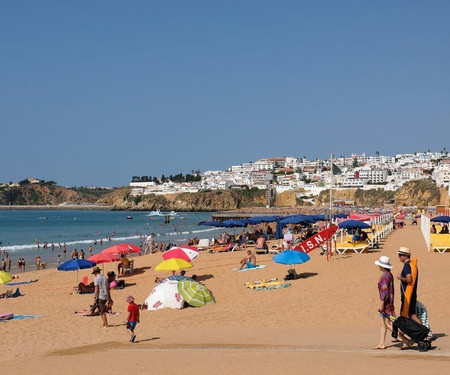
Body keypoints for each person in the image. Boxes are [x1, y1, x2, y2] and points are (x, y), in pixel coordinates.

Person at [374, 256, 396, 350]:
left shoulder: (385, 276)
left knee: (387, 323)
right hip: (389, 302)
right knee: (383, 323)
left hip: (386, 303)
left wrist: (381, 305)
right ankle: (382, 343)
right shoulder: (389, 274)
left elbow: (384, 291)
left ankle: (402, 338)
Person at [397, 247, 421, 324]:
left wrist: (400, 277)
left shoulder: (407, 266)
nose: (399, 257)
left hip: (408, 295)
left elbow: (409, 279)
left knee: (408, 315)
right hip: (411, 294)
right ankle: (424, 332)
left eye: (400, 255)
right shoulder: (411, 265)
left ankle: (425, 332)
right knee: (411, 314)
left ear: (406, 256)